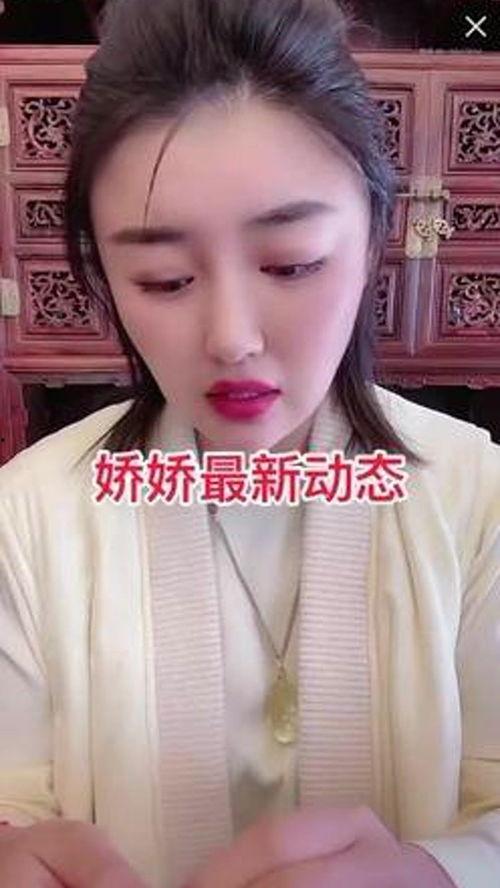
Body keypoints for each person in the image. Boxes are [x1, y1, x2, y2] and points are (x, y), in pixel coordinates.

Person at [0, 0, 499, 886]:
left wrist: (438, 871)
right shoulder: (27, 517)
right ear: (104, 274)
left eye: (291, 263)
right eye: (165, 279)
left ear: (374, 237)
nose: (231, 337)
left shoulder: (480, 499)